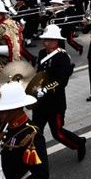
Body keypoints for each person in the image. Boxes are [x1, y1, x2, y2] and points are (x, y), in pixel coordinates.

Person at [33, 24, 86, 161]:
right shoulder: (42, 53)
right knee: (35, 131)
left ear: (56, 41)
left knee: (58, 133)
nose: (45, 42)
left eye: (48, 40)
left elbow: (62, 81)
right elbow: (39, 74)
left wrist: (46, 89)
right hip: (40, 102)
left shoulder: (63, 57)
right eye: (44, 40)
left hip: (55, 102)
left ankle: (79, 143)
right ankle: (38, 158)